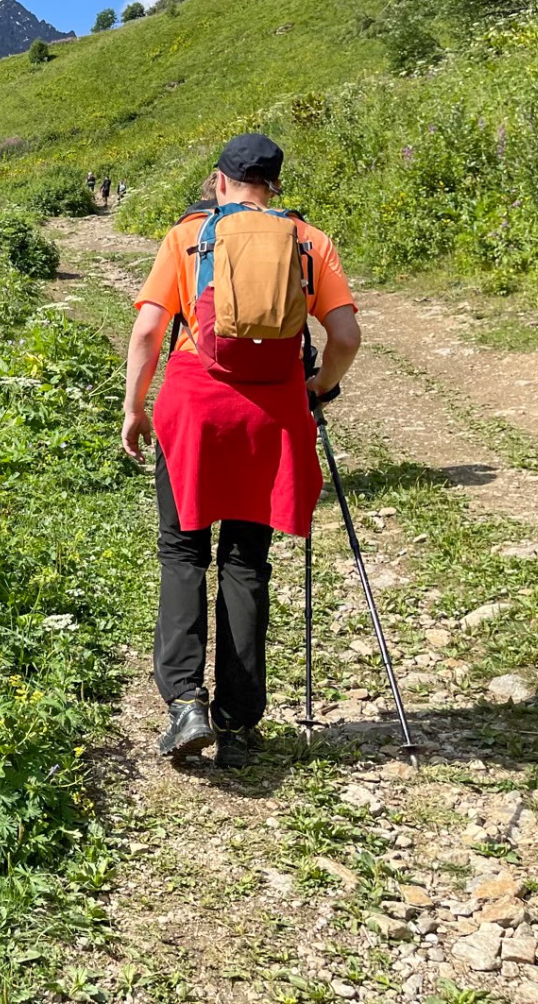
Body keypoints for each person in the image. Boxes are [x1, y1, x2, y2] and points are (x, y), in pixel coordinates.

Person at [120, 133, 361, 769]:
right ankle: (239, 714)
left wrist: (134, 407)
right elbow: (345, 334)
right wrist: (320, 385)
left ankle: (185, 703)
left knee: (182, 549)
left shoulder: (188, 236)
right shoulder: (308, 242)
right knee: (247, 558)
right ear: (275, 186)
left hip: (195, 411)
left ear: (219, 181)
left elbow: (148, 330)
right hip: (273, 419)